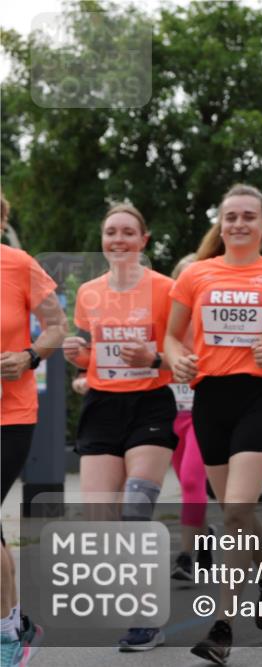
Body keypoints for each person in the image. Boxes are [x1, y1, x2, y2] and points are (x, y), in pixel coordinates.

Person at [165, 184, 262, 664]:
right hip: (210, 398)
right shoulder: (196, 276)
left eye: (249, 217)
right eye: (230, 217)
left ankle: (223, 626)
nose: (239, 224)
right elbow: (170, 337)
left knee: (234, 512)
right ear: (221, 224)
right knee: (235, 509)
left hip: (260, 397)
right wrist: (179, 360)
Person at [63, 203, 178, 652]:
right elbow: (91, 354)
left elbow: (187, 357)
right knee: (100, 520)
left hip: (150, 404)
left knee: (134, 510)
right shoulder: (89, 293)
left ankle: (146, 620)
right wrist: (79, 357)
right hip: (102, 407)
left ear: (144, 240)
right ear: (102, 239)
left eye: (128, 232)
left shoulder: (167, 290)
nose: (119, 239)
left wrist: (153, 360)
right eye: (111, 232)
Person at [1, 193, 66, 667]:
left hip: (10, 414)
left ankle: (8, 638)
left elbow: (56, 325)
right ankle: (15, 625)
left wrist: (30, 356)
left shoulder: (19, 265)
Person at [167, 253, 214, 582]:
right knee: (187, 486)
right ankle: (205, 533)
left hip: (203, 413)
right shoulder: (166, 324)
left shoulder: (214, 323)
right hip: (170, 415)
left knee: (192, 480)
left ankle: (185, 556)